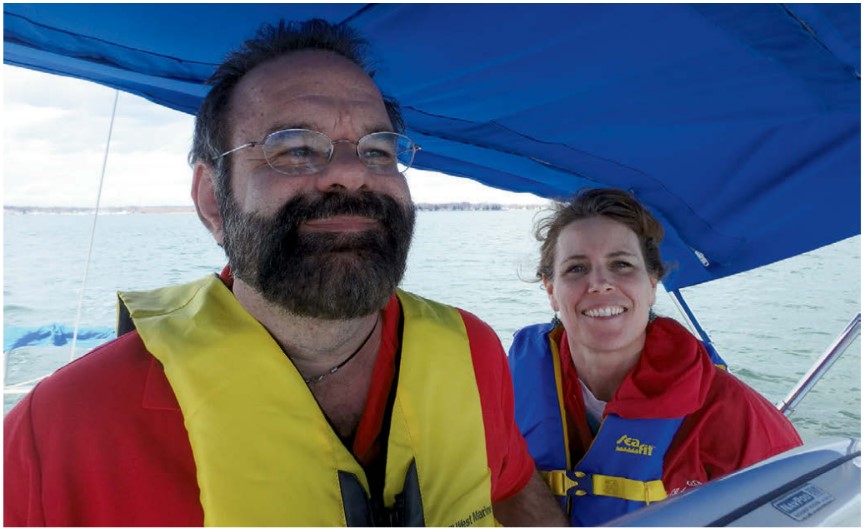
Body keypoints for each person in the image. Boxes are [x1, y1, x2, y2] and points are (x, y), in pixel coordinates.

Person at [4, 19, 567, 527]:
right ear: (212, 203)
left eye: (378, 150)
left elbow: (511, 487)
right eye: (295, 148)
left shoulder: (470, 350)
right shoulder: (60, 430)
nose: (351, 174)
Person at [508, 188, 802, 526]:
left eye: (621, 264)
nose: (600, 283)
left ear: (652, 283)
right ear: (551, 291)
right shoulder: (506, 389)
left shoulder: (732, 412)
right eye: (576, 268)